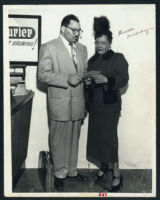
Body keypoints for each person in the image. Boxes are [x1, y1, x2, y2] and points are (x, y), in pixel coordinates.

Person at [38, 14, 88, 191]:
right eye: (74, 30)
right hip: (59, 103)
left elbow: (83, 72)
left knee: (74, 138)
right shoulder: (49, 47)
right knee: (58, 140)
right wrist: (66, 78)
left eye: (79, 30)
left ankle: (72, 171)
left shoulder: (82, 49)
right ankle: (59, 173)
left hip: (78, 102)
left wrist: (86, 79)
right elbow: (42, 75)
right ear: (63, 29)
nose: (77, 33)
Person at [85, 16, 129, 192]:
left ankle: (117, 175)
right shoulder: (91, 61)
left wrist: (107, 79)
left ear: (110, 43)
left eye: (103, 43)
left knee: (109, 141)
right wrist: (87, 84)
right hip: (95, 107)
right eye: (97, 43)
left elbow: (123, 79)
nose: (100, 46)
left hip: (110, 108)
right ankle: (104, 169)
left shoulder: (118, 58)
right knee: (97, 140)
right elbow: (87, 84)